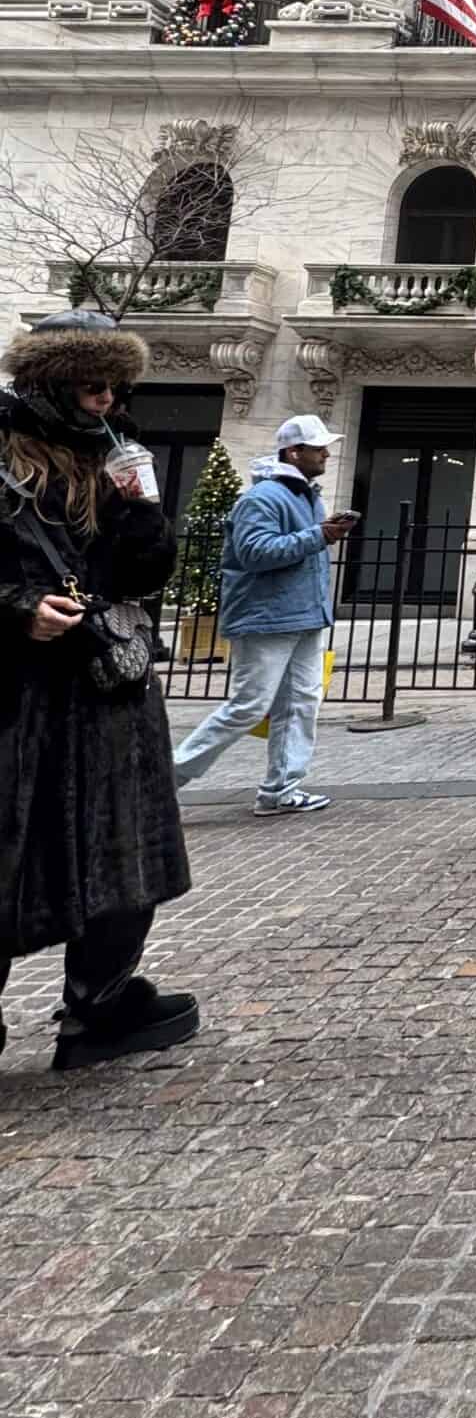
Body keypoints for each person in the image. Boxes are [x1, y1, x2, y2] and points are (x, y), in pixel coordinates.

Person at [0, 309, 196, 1069]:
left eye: (115, 385)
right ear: (49, 377)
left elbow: (140, 575)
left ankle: (100, 1002)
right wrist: (17, 611)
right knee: (13, 855)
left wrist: (144, 515)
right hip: (19, 693)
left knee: (124, 852)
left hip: (107, 687)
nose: (106, 399)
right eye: (92, 384)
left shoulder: (117, 453)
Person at [172, 415, 355, 816]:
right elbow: (256, 553)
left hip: (304, 616)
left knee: (301, 703)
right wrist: (319, 535)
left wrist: (320, 536)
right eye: (318, 447)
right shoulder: (262, 498)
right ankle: (166, 779)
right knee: (249, 706)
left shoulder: (308, 496)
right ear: (294, 452)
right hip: (268, 616)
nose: (326, 454)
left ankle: (281, 790)